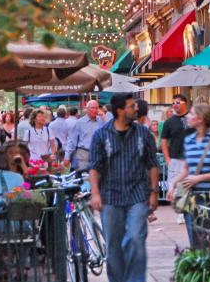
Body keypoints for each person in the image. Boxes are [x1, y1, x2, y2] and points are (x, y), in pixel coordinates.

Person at [89, 93, 159, 282]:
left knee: (136, 238)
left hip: (137, 195)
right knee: (113, 244)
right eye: (132, 106)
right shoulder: (101, 135)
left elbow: (152, 164)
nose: (137, 109)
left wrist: (154, 192)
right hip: (110, 196)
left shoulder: (144, 134)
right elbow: (94, 166)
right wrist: (95, 193)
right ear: (120, 111)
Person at [168, 104, 210, 246]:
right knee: (195, 241)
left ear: (200, 119)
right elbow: (186, 169)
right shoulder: (188, 141)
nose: (188, 117)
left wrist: (199, 178)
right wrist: (173, 183)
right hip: (192, 197)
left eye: (191, 114)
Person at [161, 95, 192, 203]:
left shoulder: (193, 119)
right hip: (175, 158)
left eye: (178, 102)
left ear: (185, 103)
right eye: (173, 103)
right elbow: (163, 141)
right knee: (175, 187)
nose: (175, 105)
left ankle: (186, 212)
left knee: (189, 186)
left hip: (191, 158)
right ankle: (180, 215)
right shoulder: (169, 122)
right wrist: (167, 158)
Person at [65, 100, 105, 171]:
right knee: (83, 177)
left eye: (97, 108)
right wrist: (67, 156)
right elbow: (72, 140)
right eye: (93, 108)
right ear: (87, 109)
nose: (95, 110)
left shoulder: (102, 121)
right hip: (83, 155)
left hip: (98, 154)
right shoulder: (79, 122)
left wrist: (104, 118)